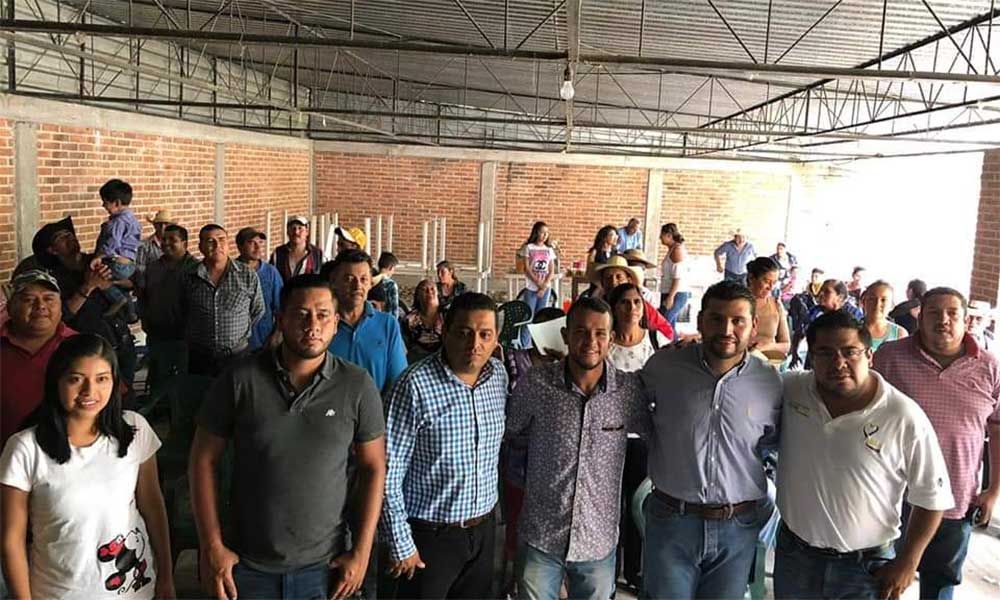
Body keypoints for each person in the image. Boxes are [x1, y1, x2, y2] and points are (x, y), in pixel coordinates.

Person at [190, 274, 386, 600]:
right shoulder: (240, 379)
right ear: (280, 320)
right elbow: (202, 459)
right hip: (245, 566)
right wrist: (211, 545)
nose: (313, 326)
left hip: (326, 568)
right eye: (301, 314)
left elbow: (374, 467)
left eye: (323, 315)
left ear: (336, 323)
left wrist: (362, 552)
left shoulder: (356, 385)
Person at [775, 311, 952, 599]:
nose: (839, 363)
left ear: (869, 356)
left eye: (850, 352)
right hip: (795, 558)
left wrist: (909, 561)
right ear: (812, 357)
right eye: (825, 353)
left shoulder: (902, 415)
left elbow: (933, 496)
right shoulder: (792, 389)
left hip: (865, 569)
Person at [0, 334, 173, 600]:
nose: (89, 391)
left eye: (102, 379)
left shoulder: (134, 430)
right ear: (56, 382)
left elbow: (152, 506)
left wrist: (166, 577)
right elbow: (12, 540)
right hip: (58, 593)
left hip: (135, 591)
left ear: (115, 381)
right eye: (76, 379)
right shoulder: (25, 448)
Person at [640, 281, 781, 599]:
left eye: (738, 320)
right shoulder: (663, 367)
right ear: (701, 321)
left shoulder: (770, 382)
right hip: (672, 521)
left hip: (737, 527)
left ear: (754, 326)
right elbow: (637, 415)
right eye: (717, 319)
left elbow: (772, 444)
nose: (726, 329)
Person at [504, 297, 647, 600]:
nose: (590, 341)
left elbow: (659, 434)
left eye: (600, 333)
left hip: (597, 540)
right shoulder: (536, 384)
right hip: (540, 535)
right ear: (566, 335)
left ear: (611, 339)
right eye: (580, 332)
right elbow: (509, 432)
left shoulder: (627, 392)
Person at [874, 288, 1000, 600]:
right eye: (934, 313)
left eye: (952, 313)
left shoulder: (990, 367)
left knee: (940, 585)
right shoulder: (890, 357)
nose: (943, 320)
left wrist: (993, 491)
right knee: (882, 581)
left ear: (966, 320)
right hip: (893, 496)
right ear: (920, 319)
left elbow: (998, 430)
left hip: (956, 499)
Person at [381, 292, 508, 599]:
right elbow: (387, 472)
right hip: (429, 536)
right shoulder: (414, 385)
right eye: (464, 333)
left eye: (485, 334)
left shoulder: (498, 377)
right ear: (444, 331)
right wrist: (401, 543)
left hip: (482, 531)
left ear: (496, 339)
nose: (474, 344)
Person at [29, 216, 138, 396]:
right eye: (62, 237)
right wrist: (88, 286)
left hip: (122, 341)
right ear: (52, 250)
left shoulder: (99, 260)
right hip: (90, 352)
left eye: (70, 234)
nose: (70, 238)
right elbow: (62, 316)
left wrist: (109, 284)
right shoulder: (54, 281)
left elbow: (134, 283)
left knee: (126, 399)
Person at [499, 307, 565, 596]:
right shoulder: (513, 359)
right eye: (540, 328)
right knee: (517, 520)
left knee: (552, 525)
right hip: (519, 460)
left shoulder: (571, 366)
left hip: (557, 464)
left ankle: (555, 579)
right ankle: (515, 576)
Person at [1, 270, 76, 447]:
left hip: (69, 455)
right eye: (28, 299)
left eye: (49, 299)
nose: (40, 306)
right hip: (6, 455)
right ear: (10, 308)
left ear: (61, 308)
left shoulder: (83, 347)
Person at [178, 224, 265, 377]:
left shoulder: (247, 275)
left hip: (237, 356)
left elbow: (257, 310)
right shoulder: (189, 276)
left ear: (228, 244)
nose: (217, 245)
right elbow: (182, 310)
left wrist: (236, 331)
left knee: (235, 392)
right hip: (200, 357)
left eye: (221, 239)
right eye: (210, 241)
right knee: (201, 391)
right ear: (200, 247)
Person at [323, 250, 407, 394]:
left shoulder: (387, 325)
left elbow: (397, 382)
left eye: (364, 279)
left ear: (370, 284)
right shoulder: (322, 324)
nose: (357, 286)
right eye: (349, 279)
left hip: (376, 406)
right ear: (334, 282)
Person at [139, 224, 197, 394]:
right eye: (164, 239)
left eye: (173, 240)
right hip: (156, 333)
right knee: (158, 377)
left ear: (185, 243)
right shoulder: (153, 267)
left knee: (182, 381)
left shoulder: (195, 269)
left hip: (184, 337)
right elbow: (144, 296)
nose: (166, 243)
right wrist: (144, 318)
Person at [590, 256, 674, 341]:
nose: (613, 282)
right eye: (608, 277)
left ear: (628, 280)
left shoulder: (640, 306)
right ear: (602, 282)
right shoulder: (595, 306)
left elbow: (667, 330)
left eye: (619, 277)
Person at [94, 179, 142, 322]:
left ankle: (117, 300)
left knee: (99, 277)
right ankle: (131, 313)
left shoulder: (117, 222)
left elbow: (112, 243)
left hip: (117, 264)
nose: (103, 205)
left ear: (117, 203)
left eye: (105, 202)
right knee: (121, 287)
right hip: (129, 264)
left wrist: (99, 256)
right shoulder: (132, 219)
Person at [790, 279, 862, 369]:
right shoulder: (815, 311)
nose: (821, 294)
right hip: (815, 363)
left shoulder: (854, 315)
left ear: (839, 297)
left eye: (827, 292)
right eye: (821, 290)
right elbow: (800, 332)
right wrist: (794, 354)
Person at [235, 227, 283, 351]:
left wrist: (277, 334)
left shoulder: (270, 272)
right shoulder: (231, 272)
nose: (257, 247)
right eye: (251, 243)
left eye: (260, 243)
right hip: (236, 344)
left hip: (265, 341)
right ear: (239, 247)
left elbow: (280, 307)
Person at [607, 283, 669, 373]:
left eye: (637, 302)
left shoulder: (655, 339)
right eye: (624, 302)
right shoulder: (605, 343)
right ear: (614, 309)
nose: (632, 307)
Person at [516, 221, 558, 348]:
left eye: (547, 233)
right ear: (536, 233)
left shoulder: (549, 250)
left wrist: (544, 286)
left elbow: (551, 270)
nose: (544, 235)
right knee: (529, 316)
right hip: (531, 287)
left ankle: (539, 344)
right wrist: (538, 283)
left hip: (545, 288)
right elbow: (527, 268)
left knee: (542, 317)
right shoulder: (528, 248)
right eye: (542, 232)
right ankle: (525, 345)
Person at [747, 257, 790, 360]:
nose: (770, 287)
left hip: (769, 363)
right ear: (751, 278)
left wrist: (766, 347)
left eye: (774, 283)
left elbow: (786, 345)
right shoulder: (735, 304)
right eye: (766, 281)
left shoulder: (776, 305)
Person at [133, 209, 174, 303]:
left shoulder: (174, 244)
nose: (163, 227)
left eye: (166, 224)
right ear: (155, 226)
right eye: (159, 224)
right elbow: (139, 268)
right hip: (150, 289)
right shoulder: (145, 245)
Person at [270, 216, 324, 283]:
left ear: (307, 232)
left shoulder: (317, 254)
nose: (296, 232)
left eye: (300, 228)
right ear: (287, 232)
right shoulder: (278, 254)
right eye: (293, 228)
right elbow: (271, 279)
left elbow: (323, 279)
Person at [401, 279, 445, 363]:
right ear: (418, 296)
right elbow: (404, 347)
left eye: (432, 288)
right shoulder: (409, 319)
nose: (429, 292)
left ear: (438, 292)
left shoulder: (448, 315)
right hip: (417, 362)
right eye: (424, 289)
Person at [658, 223, 691, 331]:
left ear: (669, 235)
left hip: (676, 293)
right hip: (668, 291)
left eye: (662, 234)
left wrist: (670, 297)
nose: (660, 237)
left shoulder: (677, 250)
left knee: (663, 323)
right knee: (670, 327)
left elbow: (678, 277)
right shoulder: (672, 249)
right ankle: (672, 342)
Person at [862, 280, 908, 351]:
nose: (877, 304)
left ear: (892, 306)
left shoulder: (899, 334)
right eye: (872, 299)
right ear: (863, 302)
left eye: (883, 300)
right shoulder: (852, 330)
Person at [376, 252, 400, 316]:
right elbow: (394, 309)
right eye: (394, 269)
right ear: (390, 267)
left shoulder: (369, 281)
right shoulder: (391, 284)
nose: (393, 272)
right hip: (386, 319)